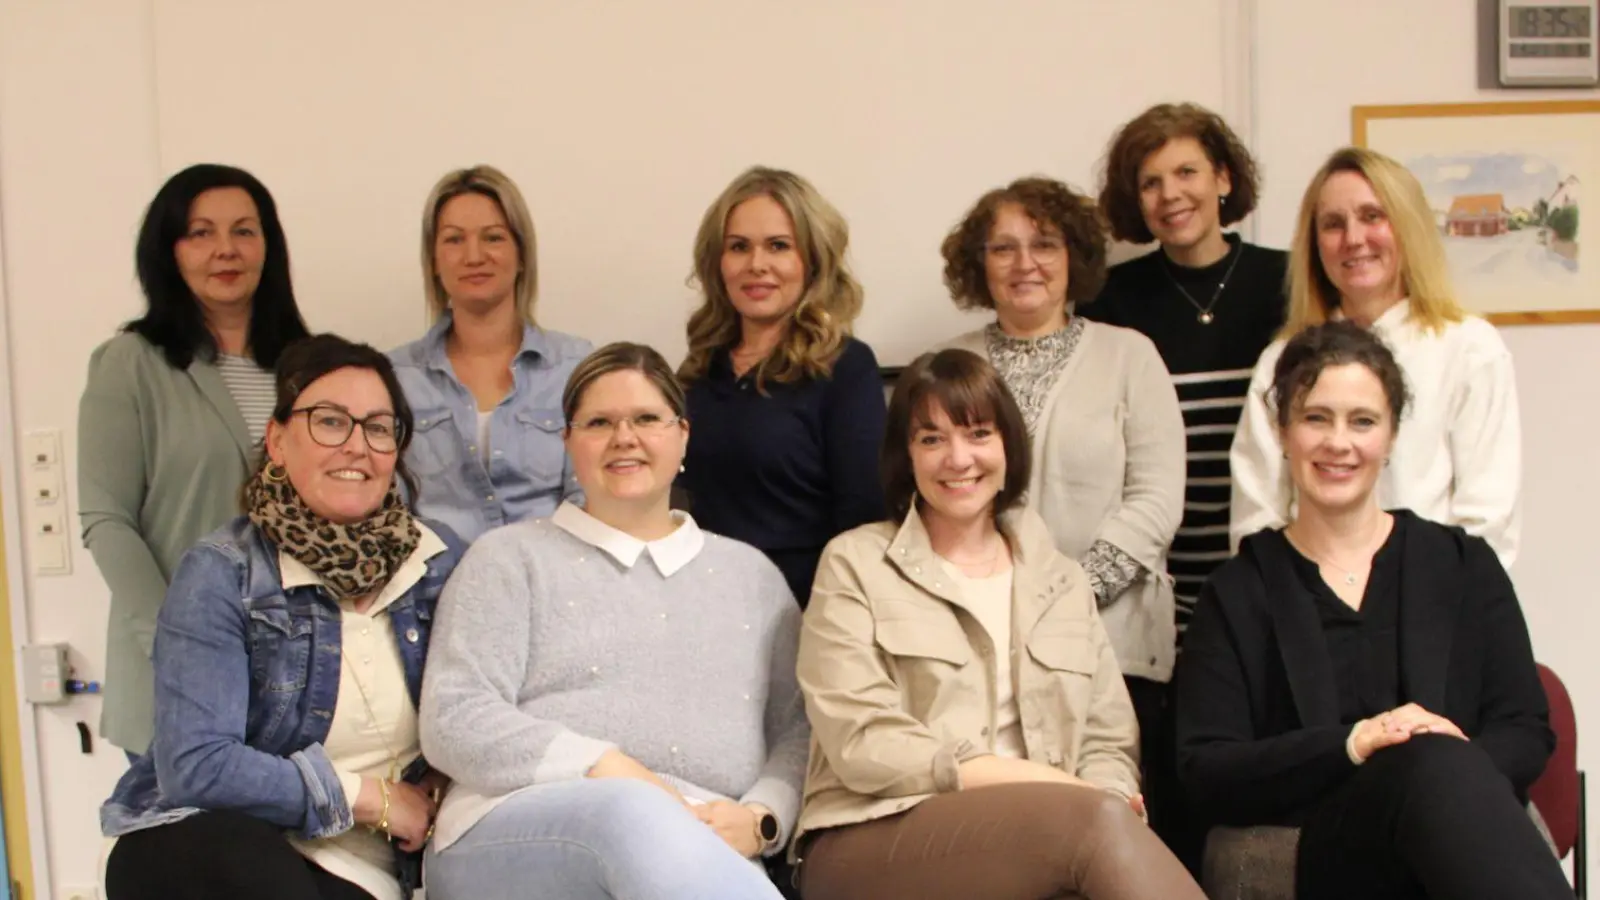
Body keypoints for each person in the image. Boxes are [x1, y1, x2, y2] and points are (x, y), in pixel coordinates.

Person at [1176, 321, 1569, 900]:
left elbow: (1526, 730)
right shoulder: (1238, 590)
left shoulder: (1463, 566)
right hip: (1324, 847)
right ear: (1283, 431)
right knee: (1428, 763)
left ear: (1389, 437)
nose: (1340, 442)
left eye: (1362, 421)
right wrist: (1355, 743)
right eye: (1316, 418)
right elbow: (1204, 768)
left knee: (1436, 766)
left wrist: (1451, 770)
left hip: (1458, 844)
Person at [793, 349, 1205, 900]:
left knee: (1099, 830)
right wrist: (1061, 791)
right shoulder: (855, 563)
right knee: (1094, 826)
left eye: (978, 433)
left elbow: (1108, 740)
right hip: (872, 831)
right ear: (905, 456)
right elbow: (865, 743)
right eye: (931, 439)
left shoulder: (1060, 579)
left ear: (1009, 445)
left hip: (1050, 831)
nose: (957, 458)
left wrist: (1105, 791)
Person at [419, 342, 808, 900]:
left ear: (683, 435)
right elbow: (454, 718)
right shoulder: (508, 558)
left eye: (647, 418)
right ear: (568, 443)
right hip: (515, 827)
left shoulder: (752, 576)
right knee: (631, 812)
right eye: (599, 422)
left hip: (702, 844)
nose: (625, 437)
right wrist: (605, 764)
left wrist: (763, 816)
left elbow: (799, 730)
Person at [100, 334, 467, 900]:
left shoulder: (438, 563)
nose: (356, 445)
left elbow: (486, 709)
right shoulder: (223, 572)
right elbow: (198, 765)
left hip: (361, 863)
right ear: (277, 440)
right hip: (222, 842)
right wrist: (370, 798)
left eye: (377, 426)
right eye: (329, 421)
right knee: (232, 858)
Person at [941, 176, 1185, 780]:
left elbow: (1155, 500)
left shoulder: (1131, 356)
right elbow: (927, 493)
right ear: (980, 265)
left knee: (1110, 828)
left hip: (1114, 643)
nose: (1025, 263)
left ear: (1073, 256)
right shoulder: (947, 366)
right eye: (1003, 248)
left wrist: (1067, 598)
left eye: (1045, 244)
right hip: (978, 648)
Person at [79, 163, 312, 756]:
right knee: (191, 849)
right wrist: (178, 644)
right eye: (200, 232)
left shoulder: (309, 364)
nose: (225, 250)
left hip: (295, 671)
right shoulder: (130, 363)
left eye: (244, 231)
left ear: (268, 245)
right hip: (180, 678)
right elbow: (108, 521)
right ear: (170, 250)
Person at [1230, 147, 1521, 567]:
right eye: (1333, 224)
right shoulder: (1280, 361)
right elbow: (1256, 518)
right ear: (1314, 245)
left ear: (1407, 227)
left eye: (1372, 216)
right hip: (1306, 612)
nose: (1353, 239)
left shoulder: (1471, 349)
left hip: (1436, 608)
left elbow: (1489, 520)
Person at [1088, 102, 1288, 638]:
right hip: (1155, 578)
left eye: (1186, 172)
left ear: (1223, 177)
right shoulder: (1109, 298)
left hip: (1271, 567)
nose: (1170, 194)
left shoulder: (1287, 283)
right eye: (1150, 183)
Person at [677, 166, 887, 606]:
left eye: (778, 246)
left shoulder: (846, 368)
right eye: (739, 247)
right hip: (703, 603)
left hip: (806, 610)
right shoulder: (699, 370)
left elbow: (863, 521)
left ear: (812, 260)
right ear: (718, 262)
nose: (757, 265)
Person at [391, 164, 593, 544]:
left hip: (552, 585)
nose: (474, 256)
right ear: (433, 260)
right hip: (432, 591)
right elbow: (388, 513)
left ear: (521, 254)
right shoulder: (395, 378)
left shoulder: (575, 368)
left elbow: (590, 502)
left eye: (494, 238)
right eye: (453, 240)